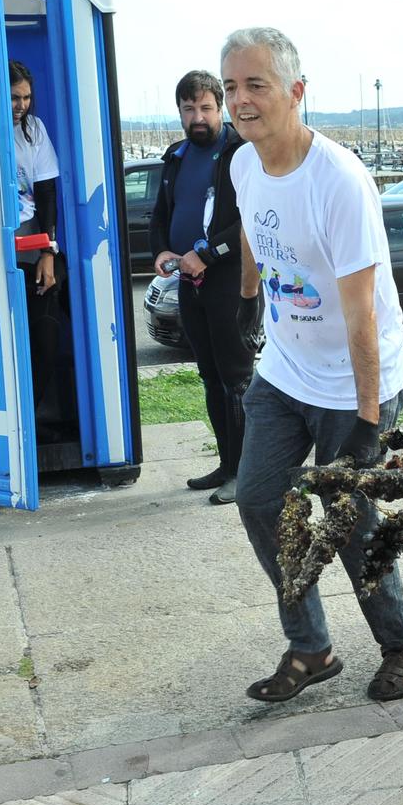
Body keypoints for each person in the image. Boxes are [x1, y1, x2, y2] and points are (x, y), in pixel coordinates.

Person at [224, 26, 403, 704]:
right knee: (259, 496)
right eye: (231, 86)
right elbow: (256, 232)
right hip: (285, 372)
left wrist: (369, 420)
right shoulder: (243, 163)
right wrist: (251, 299)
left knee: (350, 520)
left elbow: (362, 315)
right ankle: (311, 647)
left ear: (296, 91)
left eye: (257, 84)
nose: (241, 100)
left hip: (353, 382)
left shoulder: (338, 181)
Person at [150, 69, 250, 503]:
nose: (198, 117)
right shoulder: (175, 156)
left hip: (230, 281)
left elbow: (248, 222)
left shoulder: (240, 152)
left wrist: (207, 254)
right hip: (189, 284)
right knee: (209, 377)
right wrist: (160, 251)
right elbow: (160, 213)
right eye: (189, 109)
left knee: (236, 380)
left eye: (206, 108)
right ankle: (227, 464)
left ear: (220, 108)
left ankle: (246, 473)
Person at [8, 60, 75, 441]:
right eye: (15, 97)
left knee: (45, 342)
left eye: (27, 97)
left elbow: (48, 191)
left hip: (32, 247)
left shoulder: (33, 130)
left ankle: (30, 421)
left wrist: (49, 251)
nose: (22, 105)